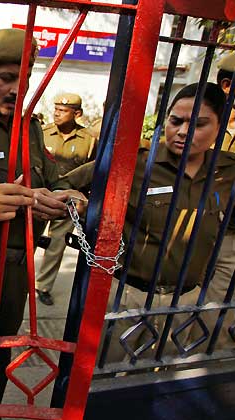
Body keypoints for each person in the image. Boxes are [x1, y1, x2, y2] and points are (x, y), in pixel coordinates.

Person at [62, 83, 235, 361]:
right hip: (127, 298)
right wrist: (76, 201)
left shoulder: (227, 172)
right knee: (101, 378)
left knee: (152, 383)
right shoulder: (135, 161)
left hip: (183, 304)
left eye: (198, 124)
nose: (182, 131)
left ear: (220, 126)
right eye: (175, 121)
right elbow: (64, 186)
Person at [0, 28, 79, 407]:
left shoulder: (29, 128)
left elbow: (48, 180)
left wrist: (61, 197)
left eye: (25, 79)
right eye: (5, 78)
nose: (17, 90)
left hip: (15, 269)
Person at [35, 94, 96, 305]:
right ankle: (21, 280)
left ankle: (43, 286)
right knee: (30, 239)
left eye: (63, 110)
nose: (57, 113)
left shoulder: (88, 139)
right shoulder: (42, 133)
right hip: (40, 197)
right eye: (56, 108)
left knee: (56, 244)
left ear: (77, 114)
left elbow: (92, 170)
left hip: (67, 201)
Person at [203, 54, 235, 349]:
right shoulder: (203, 123)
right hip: (197, 228)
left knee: (219, 313)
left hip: (231, 237)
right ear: (227, 85)